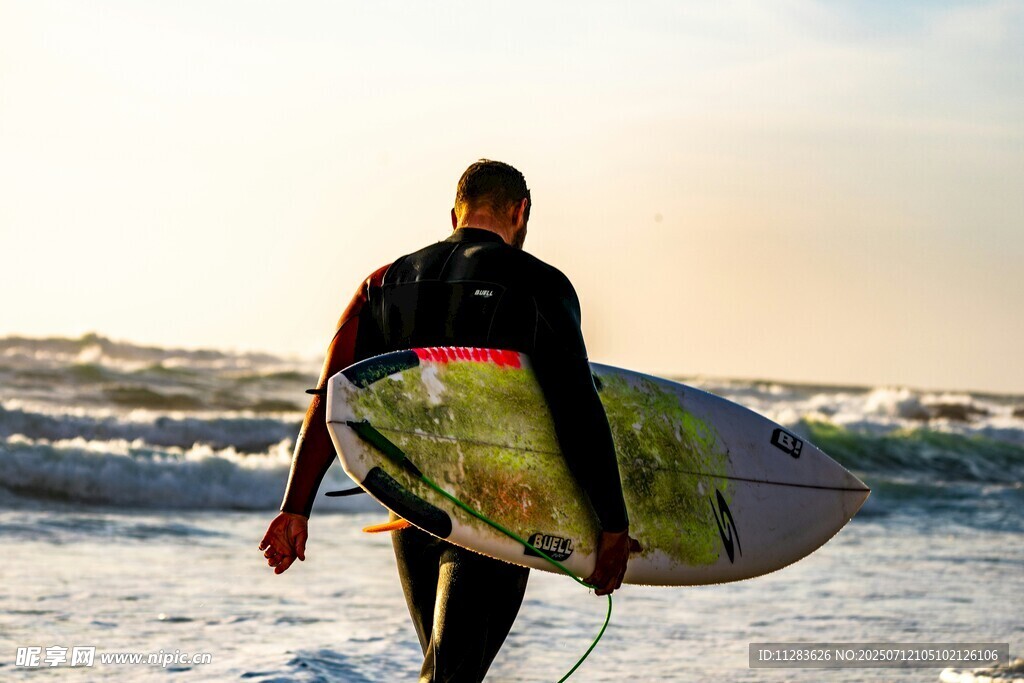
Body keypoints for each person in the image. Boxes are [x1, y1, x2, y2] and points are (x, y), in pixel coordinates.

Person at [260, 160, 635, 682]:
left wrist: (295, 508)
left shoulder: (382, 283)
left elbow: (332, 398)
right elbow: (575, 407)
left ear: (454, 212)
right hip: (496, 508)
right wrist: (613, 525)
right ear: (520, 212)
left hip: (411, 508)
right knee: (450, 675)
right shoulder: (540, 285)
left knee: (450, 671)